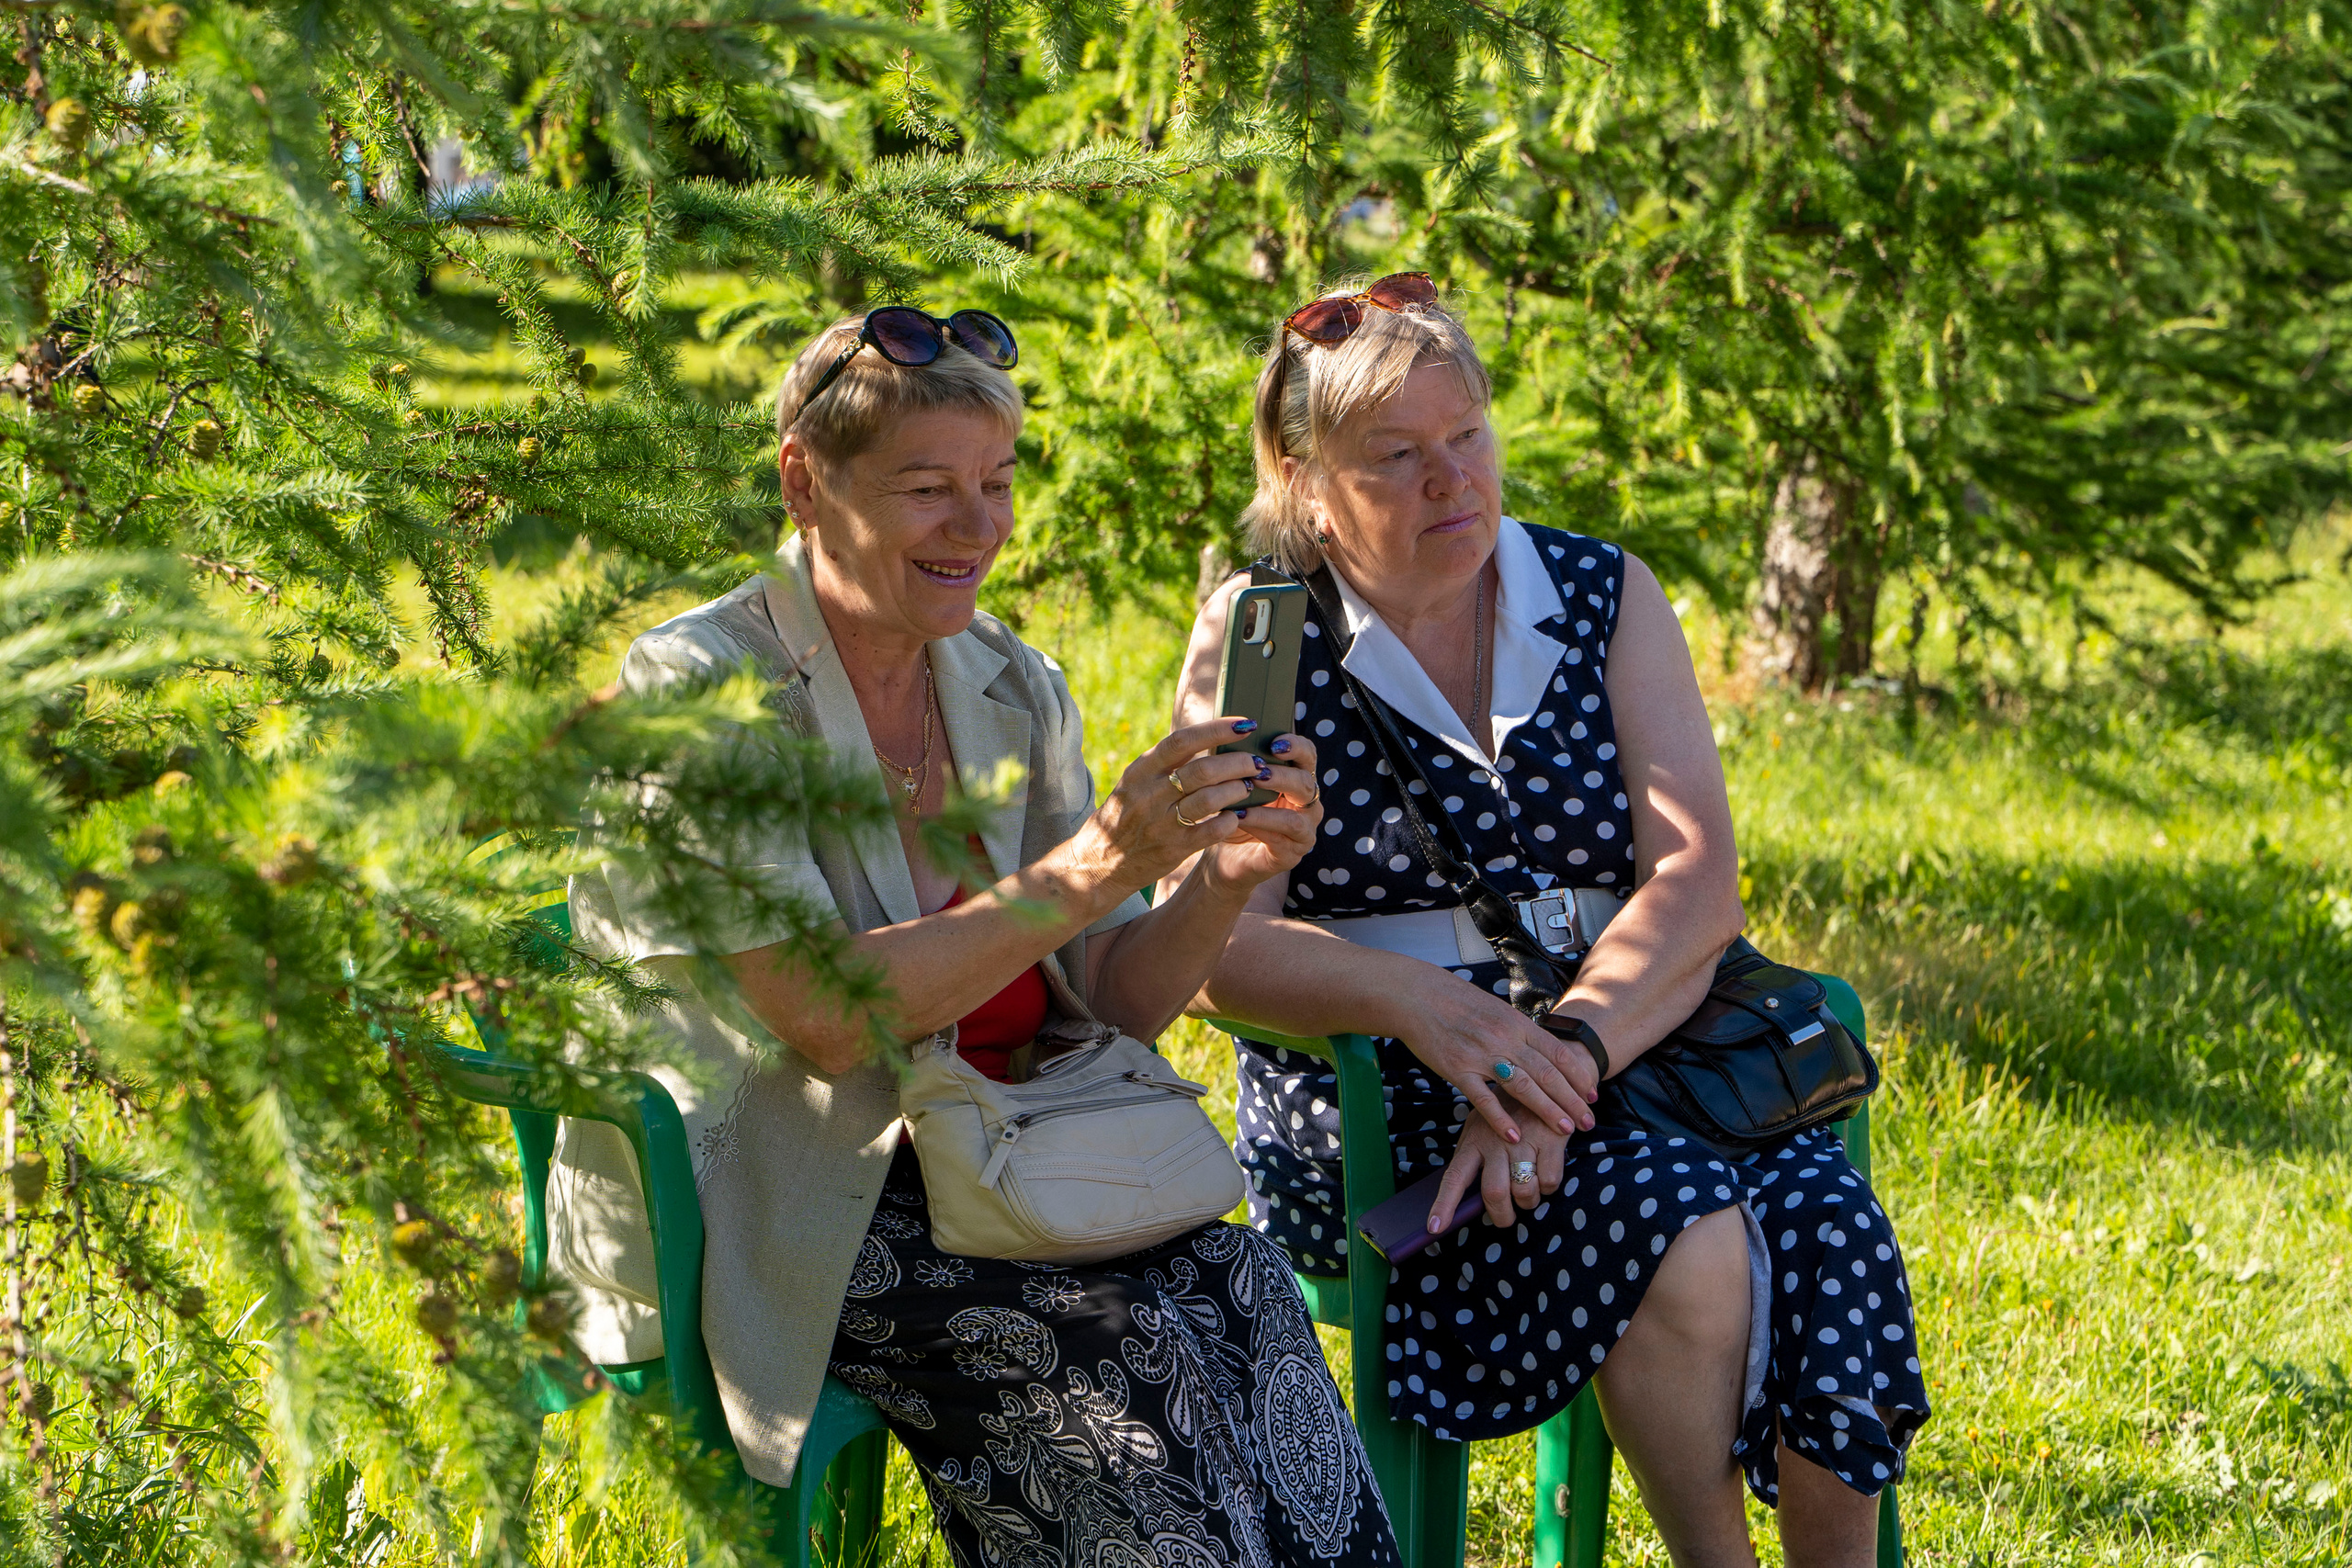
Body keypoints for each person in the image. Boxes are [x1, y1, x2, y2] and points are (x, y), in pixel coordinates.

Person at [555, 308, 1399, 1568]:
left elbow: (1113, 1000)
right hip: (793, 1188)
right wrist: (1098, 860)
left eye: (996, 484)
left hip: (1008, 1150)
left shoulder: (1009, 683)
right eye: (927, 489)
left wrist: (1223, 877)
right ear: (805, 481)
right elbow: (828, 1021)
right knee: (1115, 1345)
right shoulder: (701, 687)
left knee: (1250, 1290)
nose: (978, 526)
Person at [1161, 276, 1928, 1568]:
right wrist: (1426, 1010)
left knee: (1827, 1225)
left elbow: (1697, 881)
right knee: (1680, 1228)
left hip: (1626, 1052)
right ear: (1303, 482)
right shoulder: (1261, 637)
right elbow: (1213, 946)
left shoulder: (1601, 590)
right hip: (1388, 1107)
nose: (1451, 479)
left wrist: (1556, 1060)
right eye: (1395, 456)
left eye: (1468, 434)